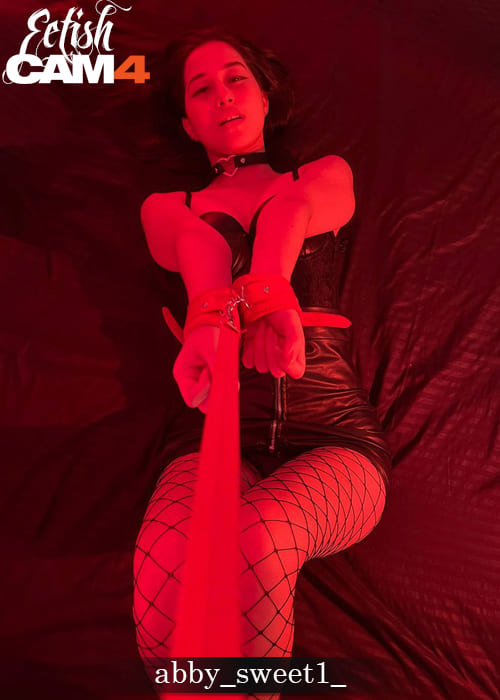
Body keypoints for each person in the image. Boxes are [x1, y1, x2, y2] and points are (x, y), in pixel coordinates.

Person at [133, 26, 392, 698]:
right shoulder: (167, 209)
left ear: (265, 98)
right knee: (164, 557)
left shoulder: (325, 176)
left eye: (236, 79)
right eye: (201, 90)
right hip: (212, 429)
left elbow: (292, 208)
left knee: (260, 535)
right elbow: (199, 243)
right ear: (187, 125)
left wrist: (272, 293)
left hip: (334, 434)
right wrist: (208, 320)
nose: (222, 95)